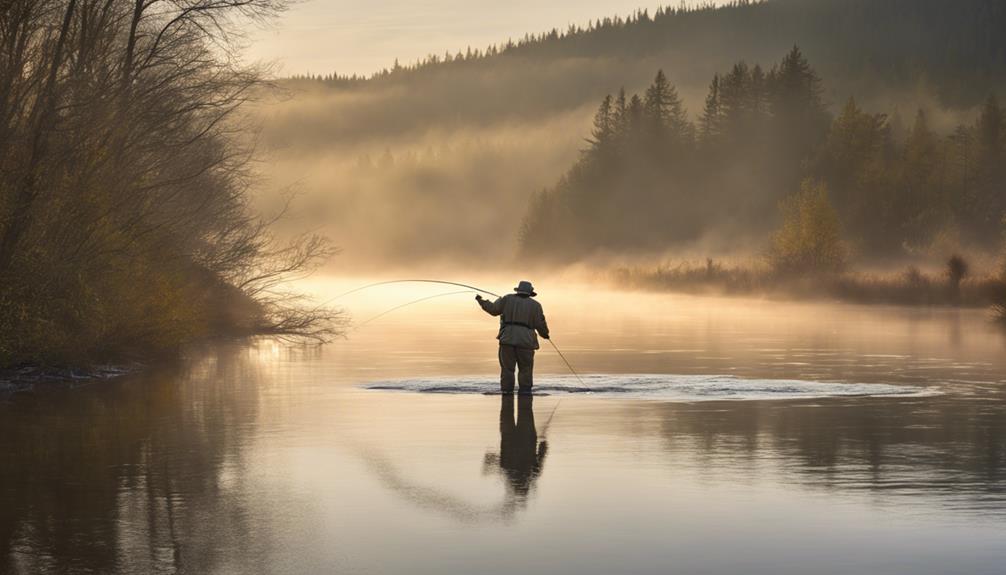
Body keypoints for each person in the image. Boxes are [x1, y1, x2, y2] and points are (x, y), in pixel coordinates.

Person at [476, 280, 550, 395]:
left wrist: (481, 301)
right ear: (530, 293)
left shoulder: (506, 299)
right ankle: (525, 393)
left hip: (507, 339)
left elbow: (493, 310)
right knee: (525, 369)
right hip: (526, 342)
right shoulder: (536, 305)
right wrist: (545, 334)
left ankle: (506, 392)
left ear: (518, 290)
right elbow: (540, 324)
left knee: (507, 370)